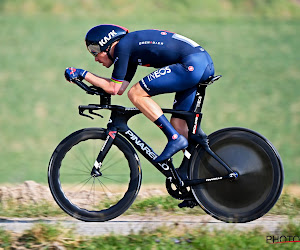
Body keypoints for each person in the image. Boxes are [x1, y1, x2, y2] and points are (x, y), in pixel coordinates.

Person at [65, 24, 214, 163]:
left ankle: (174, 138)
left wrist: (82, 73)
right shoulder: (129, 50)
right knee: (179, 124)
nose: (96, 58)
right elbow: (119, 87)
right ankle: (196, 168)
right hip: (200, 63)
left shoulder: (122, 47)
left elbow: (113, 88)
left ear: (107, 43)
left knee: (136, 94)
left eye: (95, 51)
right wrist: (91, 83)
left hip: (191, 64)